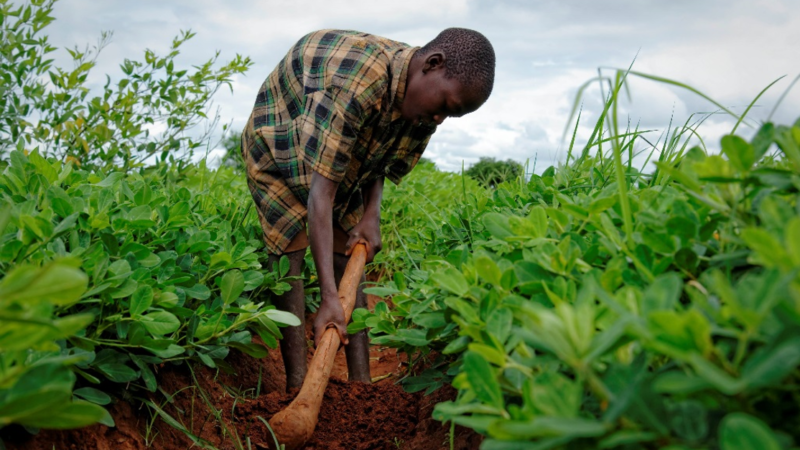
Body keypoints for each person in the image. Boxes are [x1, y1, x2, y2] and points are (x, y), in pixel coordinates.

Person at [241, 28, 495, 390]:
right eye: (445, 107)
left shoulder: (425, 104)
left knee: (348, 250)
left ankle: (361, 387)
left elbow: (381, 156)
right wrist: (329, 298)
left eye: (452, 116)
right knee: (290, 255)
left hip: (336, 144)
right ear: (432, 64)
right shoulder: (358, 85)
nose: (440, 120)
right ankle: (297, 386)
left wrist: (370, 216)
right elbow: (320, 196)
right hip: (278, 140)